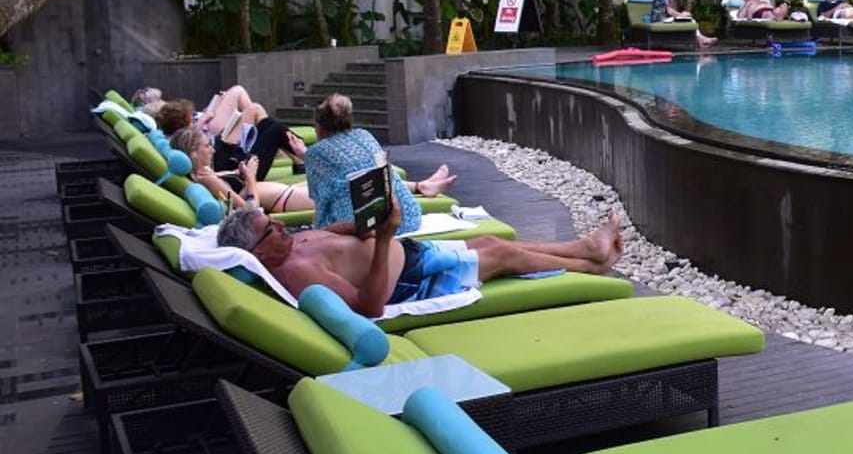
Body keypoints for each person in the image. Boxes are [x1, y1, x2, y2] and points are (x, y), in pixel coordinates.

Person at [216, 199, 623, 317]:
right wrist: (384, 238)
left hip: (409, 255)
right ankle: (592, 265)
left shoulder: (289, 245)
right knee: (500, 254)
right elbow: (368, 307)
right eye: (271, 229)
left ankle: (585, 249)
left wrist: (363, 222)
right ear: (256, 252)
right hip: (409, 282)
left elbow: (334, 236)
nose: (282, 227)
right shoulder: (297, 272)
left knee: (486, 241)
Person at [302, 93, 456, 235]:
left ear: (319, 127)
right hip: (407, 215)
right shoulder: (364, 135)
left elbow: (321, 202)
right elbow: (387, 174)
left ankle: (422, 186)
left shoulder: (316, 153)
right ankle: (421, 186)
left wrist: (318, 232)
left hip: (363, 225)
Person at [153, 86, 307, 182]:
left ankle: (301, 158)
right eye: (191, 120)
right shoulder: (186, 142)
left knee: (267, 123)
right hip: (237, 166)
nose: (194, 121)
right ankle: (307, 156)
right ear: (184, 126)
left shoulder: (177, 142)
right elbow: (213, 175)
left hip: (226, 155)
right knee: (275, 129)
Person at [169, 126, 314, 214]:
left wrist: (238, 172)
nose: (213, 150)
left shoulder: (202, 174)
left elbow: (230, 192)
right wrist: (250, 177)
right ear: (194, 153)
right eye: (207, 146)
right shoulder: (208, 180)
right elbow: (251, 211)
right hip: (283, 198)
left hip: (284, 193)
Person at [650, 0, 715, 46]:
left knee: (689, 19)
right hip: (660, 19)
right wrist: (681, 14)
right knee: (689, 20)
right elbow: (669, 11)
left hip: (664, 18)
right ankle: (701, 39)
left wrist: (681, 15)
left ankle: (701, 39)